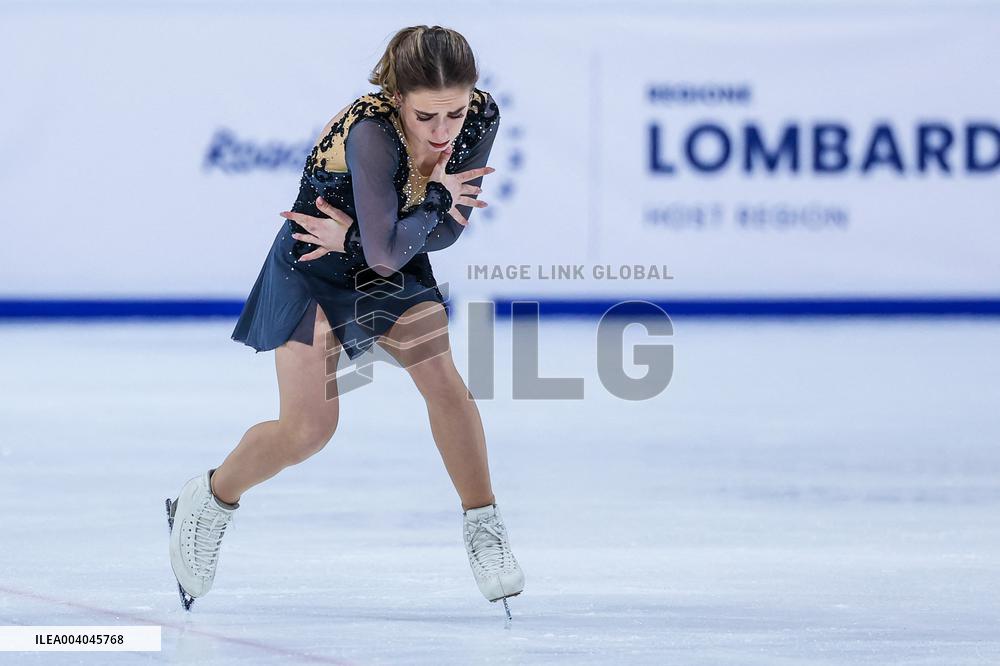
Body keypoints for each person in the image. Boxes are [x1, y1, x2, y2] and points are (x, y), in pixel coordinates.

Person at [165, 25, 525, 614]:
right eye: (426, 116)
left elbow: (445, 235)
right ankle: (208, 499)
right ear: (398, 97)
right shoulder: (371, 131)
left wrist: (377, 232)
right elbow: (397, 242)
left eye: (454, 114)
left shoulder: (480, 116)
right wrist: (429, 202)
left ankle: (484, 526)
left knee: (442, 378)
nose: (443, 132)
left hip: (387, 256)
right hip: (312, 264)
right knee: (308, 430)